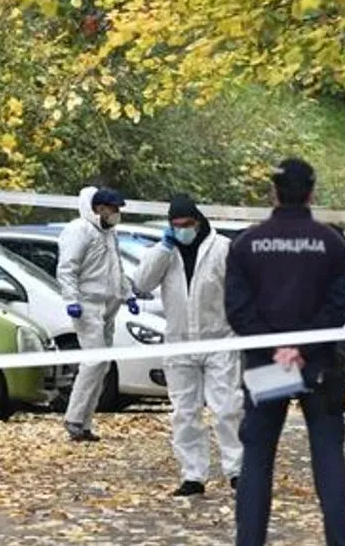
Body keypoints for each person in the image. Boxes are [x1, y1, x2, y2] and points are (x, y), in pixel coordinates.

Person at [224, 158, 345, 546]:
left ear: (274, 192)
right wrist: (301, 348)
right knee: (328, 460)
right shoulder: (332, 244)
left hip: (267, 368)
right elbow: (339, 308)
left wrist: (278, 348)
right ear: (311, 191)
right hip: (318, 366)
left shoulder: (246, 244)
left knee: (257, 462)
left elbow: (238, 311)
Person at [132, 194, 243, 497]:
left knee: (227, 409)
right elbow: (141, 283)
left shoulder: (222, 249)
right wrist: (163, 249)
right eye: (176, 225)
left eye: (187, 224)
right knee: (185, 413)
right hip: (179, 343)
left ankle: (238, 471)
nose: (182, 230)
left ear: (198, 221)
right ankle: (192, 475)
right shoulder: (165, 252)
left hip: (219, 339)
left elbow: (240, 290)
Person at [57, 186, 140, 442]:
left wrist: (128, 294)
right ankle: (73, 418)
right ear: (99, 208)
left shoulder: (109, 234)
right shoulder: (79, 230)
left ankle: (84, 422)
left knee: (102, 366)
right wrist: (71, 299)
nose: (116, 213)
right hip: (87, 305)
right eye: (112, 208)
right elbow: (67, 268)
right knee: (93, 362)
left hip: (108, 305)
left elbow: (117, 268)